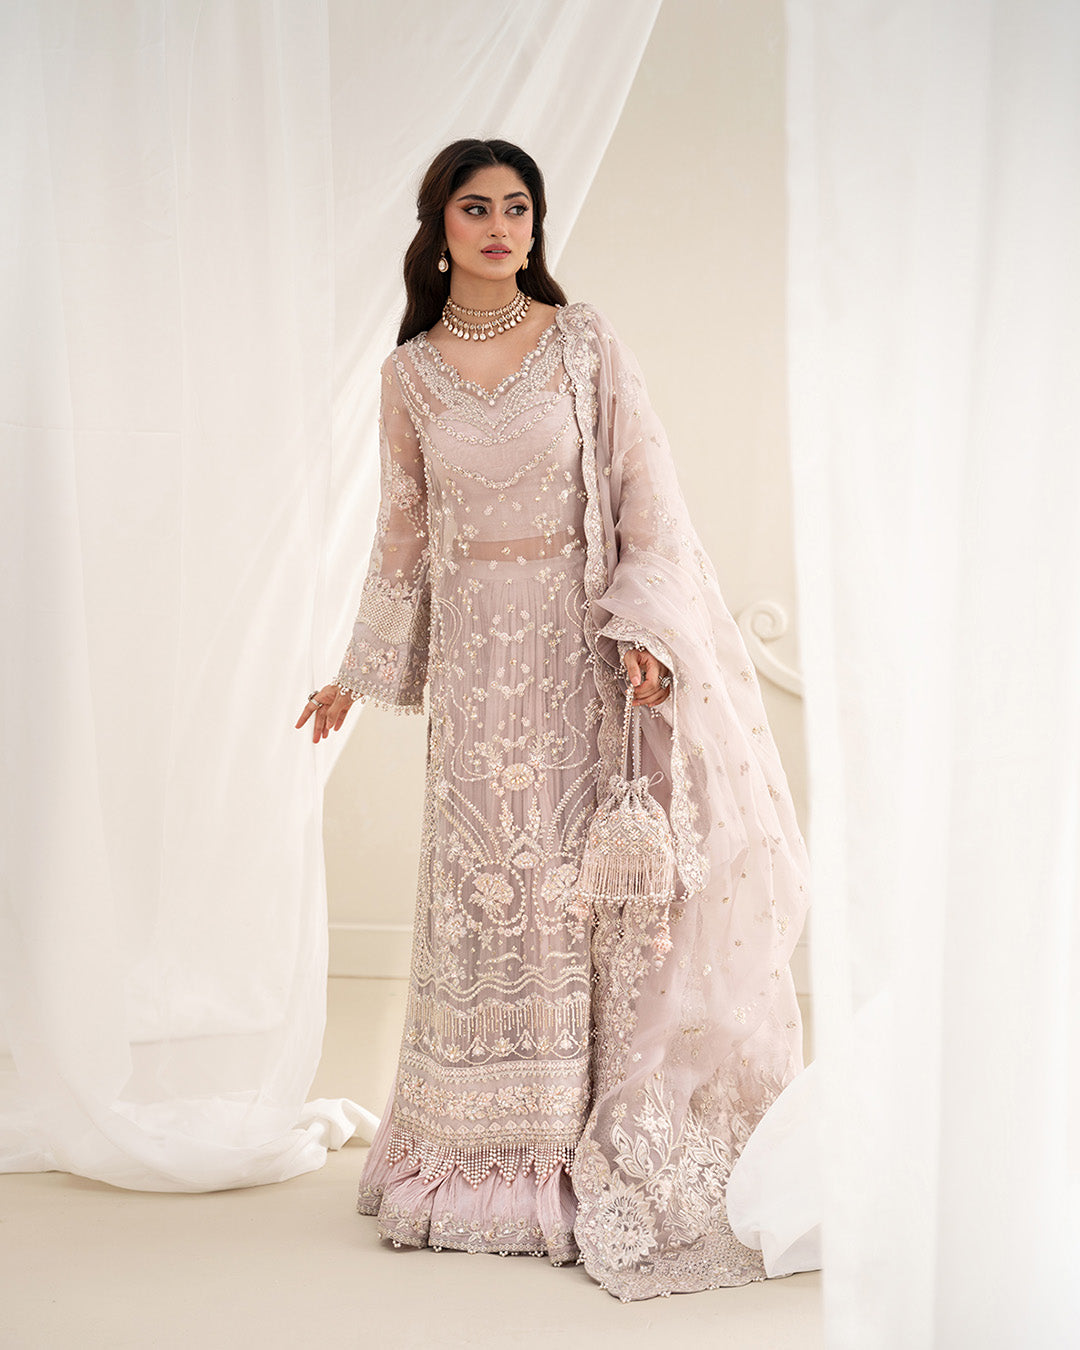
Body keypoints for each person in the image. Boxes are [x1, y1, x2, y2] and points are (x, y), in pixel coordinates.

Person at [295, 139, 810, 1302]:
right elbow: (402, 534)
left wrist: (644, 631)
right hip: (477, 676)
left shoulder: (584, 344)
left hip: (582, 657)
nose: (500, 227)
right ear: (439, 229)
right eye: (476, 208)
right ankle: (475, 1159)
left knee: (578, 899)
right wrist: (356, 673)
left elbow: (645, 495)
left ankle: (582, 1140)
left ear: (535, 225)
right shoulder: (409, 376)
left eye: (518, 208)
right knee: (487, 892)